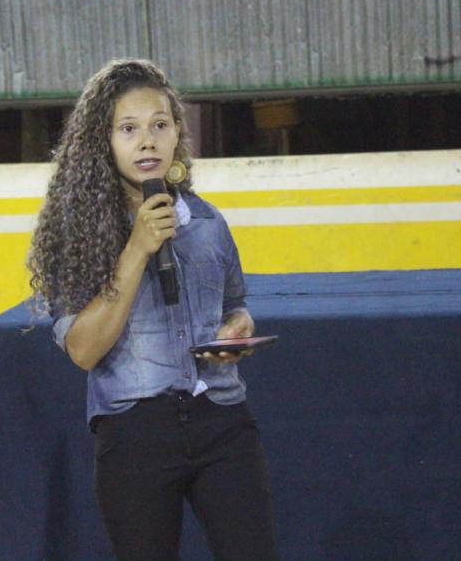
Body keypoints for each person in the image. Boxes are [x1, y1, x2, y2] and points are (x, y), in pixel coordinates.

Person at [27, 59, 278, 560]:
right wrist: (137, 248)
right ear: (103, 142)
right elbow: (83, 349)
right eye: (129, 129)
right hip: (134, 433)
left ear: (177, 134)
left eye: (160, 125)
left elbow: (234, 304)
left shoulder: (207, 222)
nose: (147, 142)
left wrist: (236, 328)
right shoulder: (78, 235)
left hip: (222, 422)